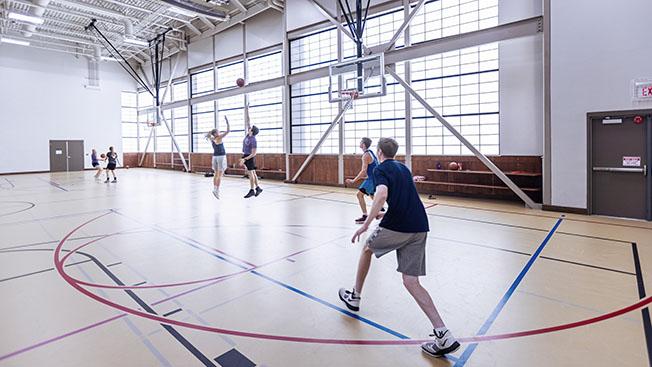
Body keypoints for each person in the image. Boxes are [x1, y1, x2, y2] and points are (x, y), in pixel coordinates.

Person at [338, 137, 460, 358]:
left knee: (366, 248)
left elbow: (382, 194)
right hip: (420, 225)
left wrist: (366, 223)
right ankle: (443, 333)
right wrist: (382, 213)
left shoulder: (381, 169)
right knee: (411, 281)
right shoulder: (403, 168)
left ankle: (354, 296)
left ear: (379, 152)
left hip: (400, 225)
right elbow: (403, 199)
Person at [345, 138, 379, 224]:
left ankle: (365, 216)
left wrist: (353, 181)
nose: (359, 143)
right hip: (375, 178)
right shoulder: (371, 152)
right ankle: (380, 210)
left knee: (359, 195)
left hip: (372, 179)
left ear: (363, 144)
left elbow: (363, 171)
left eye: (360, 142)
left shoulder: (365, 155)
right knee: (372, 195)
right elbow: (375, 166)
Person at [241, 101, 262, 198]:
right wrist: (247, 109)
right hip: (245, 155)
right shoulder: (248, 135)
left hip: (249, 156)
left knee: (251, 173)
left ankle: (252, 190)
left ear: (252, 131)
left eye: (251, 128)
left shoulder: (253, 140)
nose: (249, 127)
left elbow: (254, 153)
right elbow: (248, 120)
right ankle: (258, 188)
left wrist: (245, 159)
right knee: (253, 172)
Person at [207, 116, 230, 199]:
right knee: (220, 174)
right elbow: (228, 131)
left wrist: (211, 132)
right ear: (216, 133)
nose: (219, 132)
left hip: (215, 157)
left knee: (216, 174)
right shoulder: (219, 138)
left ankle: (215, 189)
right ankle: (217, 190)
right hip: (221, 157)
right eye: (218, 132)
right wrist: (227, 122)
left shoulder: (212, 139)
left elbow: (209, 134)